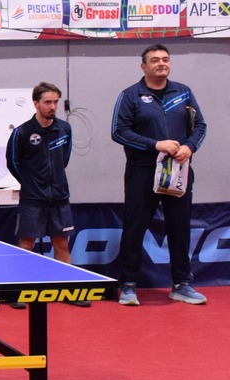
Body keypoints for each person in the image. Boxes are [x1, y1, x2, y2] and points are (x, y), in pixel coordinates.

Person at [112, 44, 207, 306]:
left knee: (179, 228)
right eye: (155, 60)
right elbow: (118, 131)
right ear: (143, 66)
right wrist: (155, 145)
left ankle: (182, 284)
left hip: (178, 171)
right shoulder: (130, 95)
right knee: (135, 227)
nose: (161, 63)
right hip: (142, 171)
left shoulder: (183, 92)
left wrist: (189, 147)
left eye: (165, 59)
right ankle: (128, 284)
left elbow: (200, 125)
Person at [5, 82, 87, 309]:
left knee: (61, 243)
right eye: (47, 102)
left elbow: (64, 159)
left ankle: (69, 290)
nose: (53, 107)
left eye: (55, 102)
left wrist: (54, 182)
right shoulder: (22, 132)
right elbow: (13, 163)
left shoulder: (64, 129)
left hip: (59, 198)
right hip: (32, 200)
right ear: (36, 104)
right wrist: (31, 183)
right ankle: (18, 292)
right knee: (26, 243)